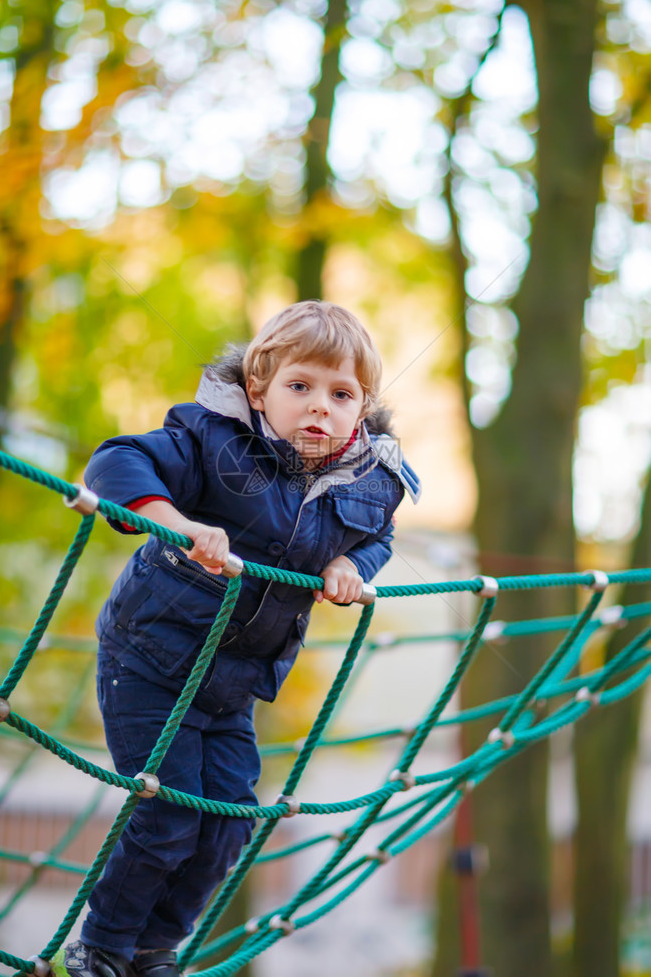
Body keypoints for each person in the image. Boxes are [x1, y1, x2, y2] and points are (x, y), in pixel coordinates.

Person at [63, 301, 419, 977]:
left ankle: (150, 949)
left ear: (363, 405)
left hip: (235, 683)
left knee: (227, 821)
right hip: (151, 659)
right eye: (300, 386)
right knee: (167, 813)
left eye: (341, 394)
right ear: (258, 388)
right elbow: (116, 461)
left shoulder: (372, 480)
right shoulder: (213, 439)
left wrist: (350, 566)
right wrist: (176, 523)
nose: (320, 407)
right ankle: (102, 943)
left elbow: (377, 536)